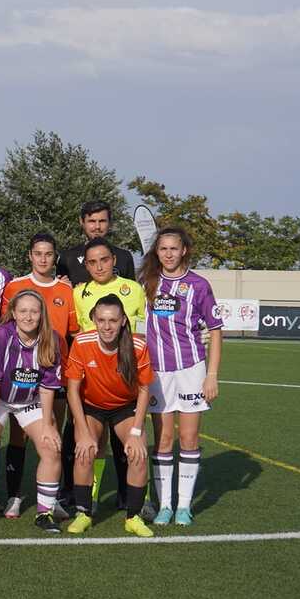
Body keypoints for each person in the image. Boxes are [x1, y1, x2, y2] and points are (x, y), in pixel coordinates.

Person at [139, 228, 223, 526]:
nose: (169, 254)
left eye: (174, 248)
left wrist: (211, 375)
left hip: (191, 370)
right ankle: (165, 505)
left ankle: (184, 506)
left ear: (184, 250)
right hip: (157, 373)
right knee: (163, 438)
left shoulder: (198, 285)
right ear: (156, 251)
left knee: (188, 437)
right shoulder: (146, 281)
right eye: (163, 249)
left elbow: (215, 330)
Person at [0, 232, 79, 519]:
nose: (43, 259)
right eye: (38, 253)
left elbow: (73, 331)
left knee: (52, 432)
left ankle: (51, 497)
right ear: (30, 256)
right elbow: (5, 327)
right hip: (20, 374)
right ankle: (14, 495)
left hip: (55, 373)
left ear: (54, 257)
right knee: (19, 435)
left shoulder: (66, 290)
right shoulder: (15, 286)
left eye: (48, 254)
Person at [0, 290, 64, 533]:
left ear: (42, 314)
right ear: (13, 313)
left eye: (34, 311)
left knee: (51, 446)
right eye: (23, 311)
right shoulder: (2, 335)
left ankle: (45, 513)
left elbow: (46, 386)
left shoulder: (52, 339)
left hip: (29, 400)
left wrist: (47, 423)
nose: (29, 317)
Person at [64, 295, 155, 537]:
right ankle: (83, 513)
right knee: (85, 451)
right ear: (93, 318)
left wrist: (136, 433)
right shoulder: (82, 343)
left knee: (138, 453)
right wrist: (82, 431)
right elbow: (73, 390)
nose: (106, 326)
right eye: (101, 320)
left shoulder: (137, 346)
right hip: (91, 405)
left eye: (113, 320)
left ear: (123, 321)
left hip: (124, 407)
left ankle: (133, 517)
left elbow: (145, 389)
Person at [71, 236, 149, 518]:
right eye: (92, 262)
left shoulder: (134, 290)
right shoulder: (79, 293)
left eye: (104, 260)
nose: (99, 266)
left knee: (133, 448)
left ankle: (141, 504)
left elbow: (142, 331)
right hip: (92, 380)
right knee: (92, 447)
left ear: (114, 260)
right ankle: (87, 502)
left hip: (125, 381)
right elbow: (77, 332)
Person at [57, 200, 137, 285]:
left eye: (102, 221)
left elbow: (131, 292)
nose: (97, 227)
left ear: (109, 222)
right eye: (92, 221)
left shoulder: (124, 257)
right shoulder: (67, 258)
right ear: (81, 222)